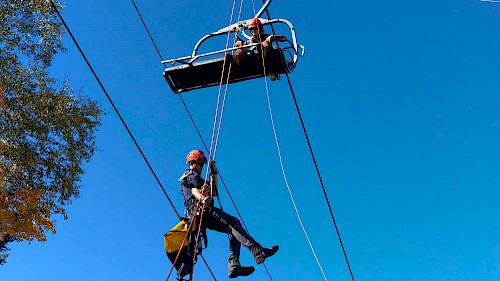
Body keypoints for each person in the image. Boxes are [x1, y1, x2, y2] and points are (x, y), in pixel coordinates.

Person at [179, 149, 279, 278]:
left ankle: (234, 265)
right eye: (199, 163)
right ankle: (257, 252)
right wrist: (202, 198)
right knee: (234, 224)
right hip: (202, 211)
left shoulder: (197, 178)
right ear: (192, 163)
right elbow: (194, 190)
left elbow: (214, 192)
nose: (201, 167)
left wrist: (214, 172)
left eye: (202, 164)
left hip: (201, 214)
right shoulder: (190, 175)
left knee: (235, 229)